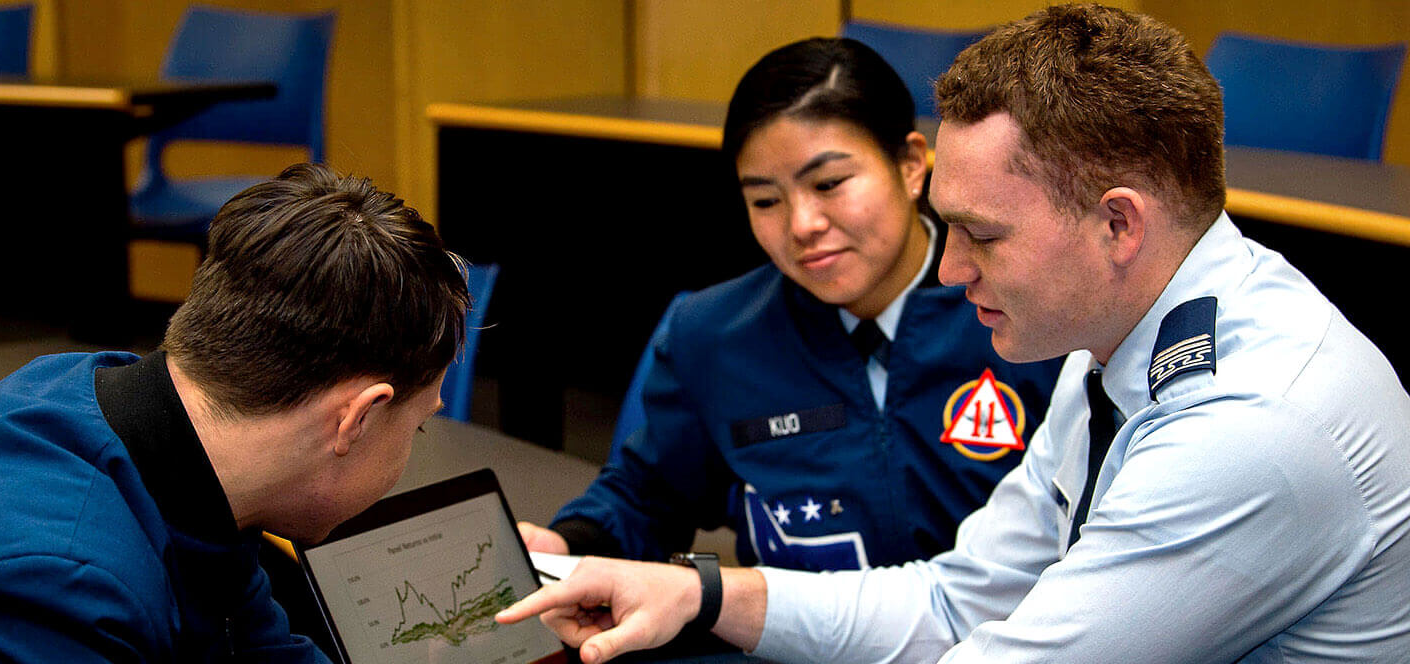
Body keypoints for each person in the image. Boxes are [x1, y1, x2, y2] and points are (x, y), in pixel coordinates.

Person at [496, 5, 1410, 663]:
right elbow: (955, 599)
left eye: (983, 234)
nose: (950, 269)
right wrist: (698, 591)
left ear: (1119, 224)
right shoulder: (1115, 355)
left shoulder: (1246, 431)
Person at [0, 163, 469, 661]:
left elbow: (259, 650)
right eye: (417, 426)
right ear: (357, 419)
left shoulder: (156, 428)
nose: (411, 449)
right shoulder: (50, 592)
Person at [519, 38, 1061, 574]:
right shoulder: (715, 336)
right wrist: (568, 545)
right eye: (765, 200)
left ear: (912, 164)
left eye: (828, 183)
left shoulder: (1032, 314)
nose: (802, 225)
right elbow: (646, 496)